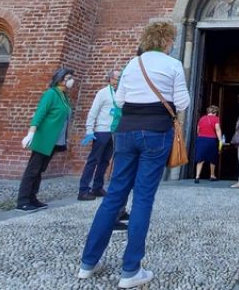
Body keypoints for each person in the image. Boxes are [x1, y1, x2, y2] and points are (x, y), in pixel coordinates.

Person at [78, 20, 191, 288]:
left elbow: (119, 101)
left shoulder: (132, 64)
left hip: (126, 133)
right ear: (167, 41)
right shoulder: (173, 64)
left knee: (114, 195)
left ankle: (88, 263)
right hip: (156, 133)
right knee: (143, 198)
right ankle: (130, 270)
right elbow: (183, 102)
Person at [16, 67, 75, 211]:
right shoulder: (51, 94)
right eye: (68, 78)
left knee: (40, 169)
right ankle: (23, 200)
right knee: (33, 169)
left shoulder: (64, 96)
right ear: (60, 80)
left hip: (54, 139)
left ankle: (32, 197)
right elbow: (40, 113)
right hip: (44, 138)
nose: (71, 81)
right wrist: (31, 133)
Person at [78, 69, 122, 201]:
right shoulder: (103, 93)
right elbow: (93, 111)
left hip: (114, 131)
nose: (119, 80)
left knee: (105, 161)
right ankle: (83, 190)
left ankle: (97, 187)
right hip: (101, 130)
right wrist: (89, 130)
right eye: (117, 78)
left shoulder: (120, 94)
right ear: (111, 79)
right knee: (93, 160)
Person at [194, 105, 223, 182]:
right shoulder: (216, 119)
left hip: (201, 139)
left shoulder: (202, 118)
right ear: (215, 113)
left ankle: (197, 176)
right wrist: (220, 140)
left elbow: (198, 130)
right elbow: (217, 129)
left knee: (200, 158)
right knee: (212, 158)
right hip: (211, 140)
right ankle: (212, 175)